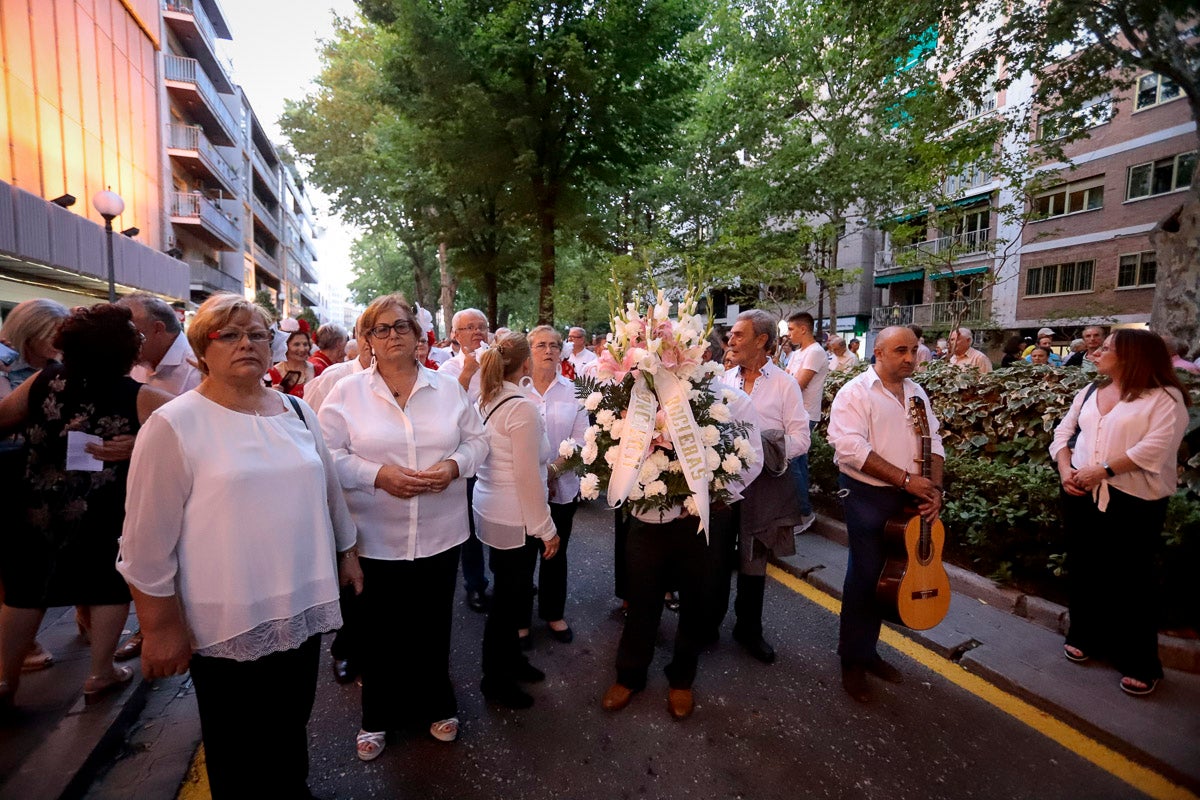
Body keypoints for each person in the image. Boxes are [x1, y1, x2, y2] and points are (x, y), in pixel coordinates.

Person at [117, 294, 360, 798]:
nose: (247, 343)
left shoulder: (295, 409)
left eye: (258, 334)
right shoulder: (174, 424)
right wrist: (160, 627)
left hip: (301, 601)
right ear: (202, 349)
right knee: (237, 746)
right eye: (229, 334)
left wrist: (347, 551)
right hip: (227, 616)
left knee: (291, 724)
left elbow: (328, 490)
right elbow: (145, 542)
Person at [318, 293, 486, 760]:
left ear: (419, 335)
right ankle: (377, 715)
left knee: (431, 627)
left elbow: (478, 441)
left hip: (440, 533)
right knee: (378, 632)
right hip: (374, 537)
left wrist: (454, 466)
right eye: (381, 328)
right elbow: (329, 455)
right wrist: (378, 476)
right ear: (368, 340)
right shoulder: (347, 393)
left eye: (402, 326)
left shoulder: (448, 388)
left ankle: (437, 703)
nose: (393, 335)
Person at [0, 304, 174, 712]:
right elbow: (192, 430)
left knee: (25, 590)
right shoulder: (142, 396)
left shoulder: (43, 382)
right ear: (128, 350)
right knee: (107, 584)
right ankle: (100, 673)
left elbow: (3, 420)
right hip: (102, 507)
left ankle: (4, 678)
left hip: (38, 502)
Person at [1051, 330, 1189, 697]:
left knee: (1133, 578)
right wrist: (1066, 469)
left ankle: (1141, 661)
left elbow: (1156, 448)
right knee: (1085, 566)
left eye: (1107, 347)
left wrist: (1104, 470)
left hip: (1134, 501)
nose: (1098, 350)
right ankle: (1085, 635)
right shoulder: (1092, 391)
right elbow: (1063, 433)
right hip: (1079, 492)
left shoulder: (1165, 398)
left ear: (1130, 356)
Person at [827, 326, 945, 703]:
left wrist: (934, 489)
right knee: (866, 576)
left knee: (890, 577)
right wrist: (906, 479)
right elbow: (849, 448)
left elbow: (935, 441)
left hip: (909, 495)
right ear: (878, 352)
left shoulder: (916, 392)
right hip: (866, 495)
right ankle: (852, 662)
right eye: (900, 351)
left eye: (913, 350)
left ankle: (868, 652)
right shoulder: (855, 392)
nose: (910, 358)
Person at [113, 293, 204, 661]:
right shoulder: (134, 366)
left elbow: (208, 434)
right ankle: (151, 624)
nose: (126, 339)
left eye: (131, 330)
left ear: (156, 328)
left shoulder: (197, 366)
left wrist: (141, 442)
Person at [473, 332, 560, 708]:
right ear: (525, 363)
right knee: (509, 602)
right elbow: (527, 477)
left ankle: (512, 660)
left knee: (513, 594)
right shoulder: (520, 407)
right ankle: (495, 679)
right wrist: (547, 529)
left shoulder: (491, 398)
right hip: (515, 516)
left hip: (494, 508)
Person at [720, 310, 810, 664]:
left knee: (754, 561)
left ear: (762, 340)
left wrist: (762, 448)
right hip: (723, 484)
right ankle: (708, 622)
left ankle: (748, 630)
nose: (731, 341)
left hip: (765, 485)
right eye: (732, 335)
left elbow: (801, 438)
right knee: (716, 556)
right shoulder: (723, 380)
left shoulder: (784, 384)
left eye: (740, 335)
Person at [0, 298, 71, 673]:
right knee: (14, 561)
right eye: (51, 336)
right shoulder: (4, 363)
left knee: (34, 559)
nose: (58, 344)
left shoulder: (56, 367)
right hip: (8, 467)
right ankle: (18, 645)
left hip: (41, 471)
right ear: (30, 332)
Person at [302, 315, 373, 687]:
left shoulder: (401, 377)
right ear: (359, 337)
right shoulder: (335, 378)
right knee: (351, 582)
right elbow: (309, 430)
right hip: (346, 498)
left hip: (387, 507)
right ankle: (346, 651)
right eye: (371, 331)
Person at [526, 326, 588, 647]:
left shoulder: (575, 392)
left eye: (554, 345)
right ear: (529, 350)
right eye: (540, 345)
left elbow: (581, 442)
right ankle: (520, 620)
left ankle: (553, 612)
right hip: (522, 491)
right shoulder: (516, 390)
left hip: (561, 487)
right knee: (522, 556)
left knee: (555, 552)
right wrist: (533, 476)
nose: (548, 350)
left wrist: (550, 472)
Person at [440, 308, 493, 612]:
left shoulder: (499, 364)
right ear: (456, 335)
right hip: (468, 453)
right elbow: (447, 408)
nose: (476, 332)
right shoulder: (447, 369)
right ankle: (475, 584)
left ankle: (508, 573)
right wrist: (469, 371)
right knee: (471, 525)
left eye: (481, 327)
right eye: (469, 327)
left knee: (502, 514)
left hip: (499, 453)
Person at [784, 312, 824, 534]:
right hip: (794, 412)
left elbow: (796, 384)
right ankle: (803, 511)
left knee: (793, 463)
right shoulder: (798, 353)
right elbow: (787, 378)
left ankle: (804, 513)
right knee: (798, 465)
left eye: (791, 329)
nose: (788, 334)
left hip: (805, 414)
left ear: (803, 329)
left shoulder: (815, 352)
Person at [119, 293, 202, 397]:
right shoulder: (132, 364)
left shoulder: (199, 370)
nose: (120, 342)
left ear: (158, 329)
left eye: (129, 334)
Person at [269, 324, 316, 397]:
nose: (302, 349)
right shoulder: (272, 373)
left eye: (305, 344)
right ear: (285, 347)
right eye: (296, 345)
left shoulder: (317, 369)